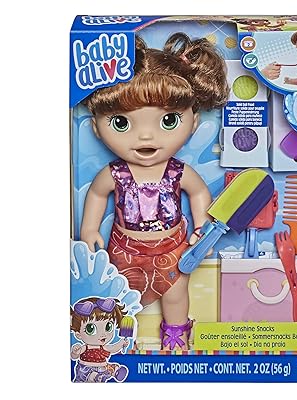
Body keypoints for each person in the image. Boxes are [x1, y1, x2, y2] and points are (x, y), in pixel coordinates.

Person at [80, 33, 229, 350]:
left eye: (169, 120)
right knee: (121, 295)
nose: (146, 136)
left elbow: (199, 193)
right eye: (121, 123)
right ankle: (121, 341)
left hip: (173, 248)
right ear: (96, 128)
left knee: (175, 294)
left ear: (193, 123)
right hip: (126, 250)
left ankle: (176, 336)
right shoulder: (114, 174)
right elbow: (96, 195)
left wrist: (202, 227)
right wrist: (89, 229)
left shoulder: (178, 172)